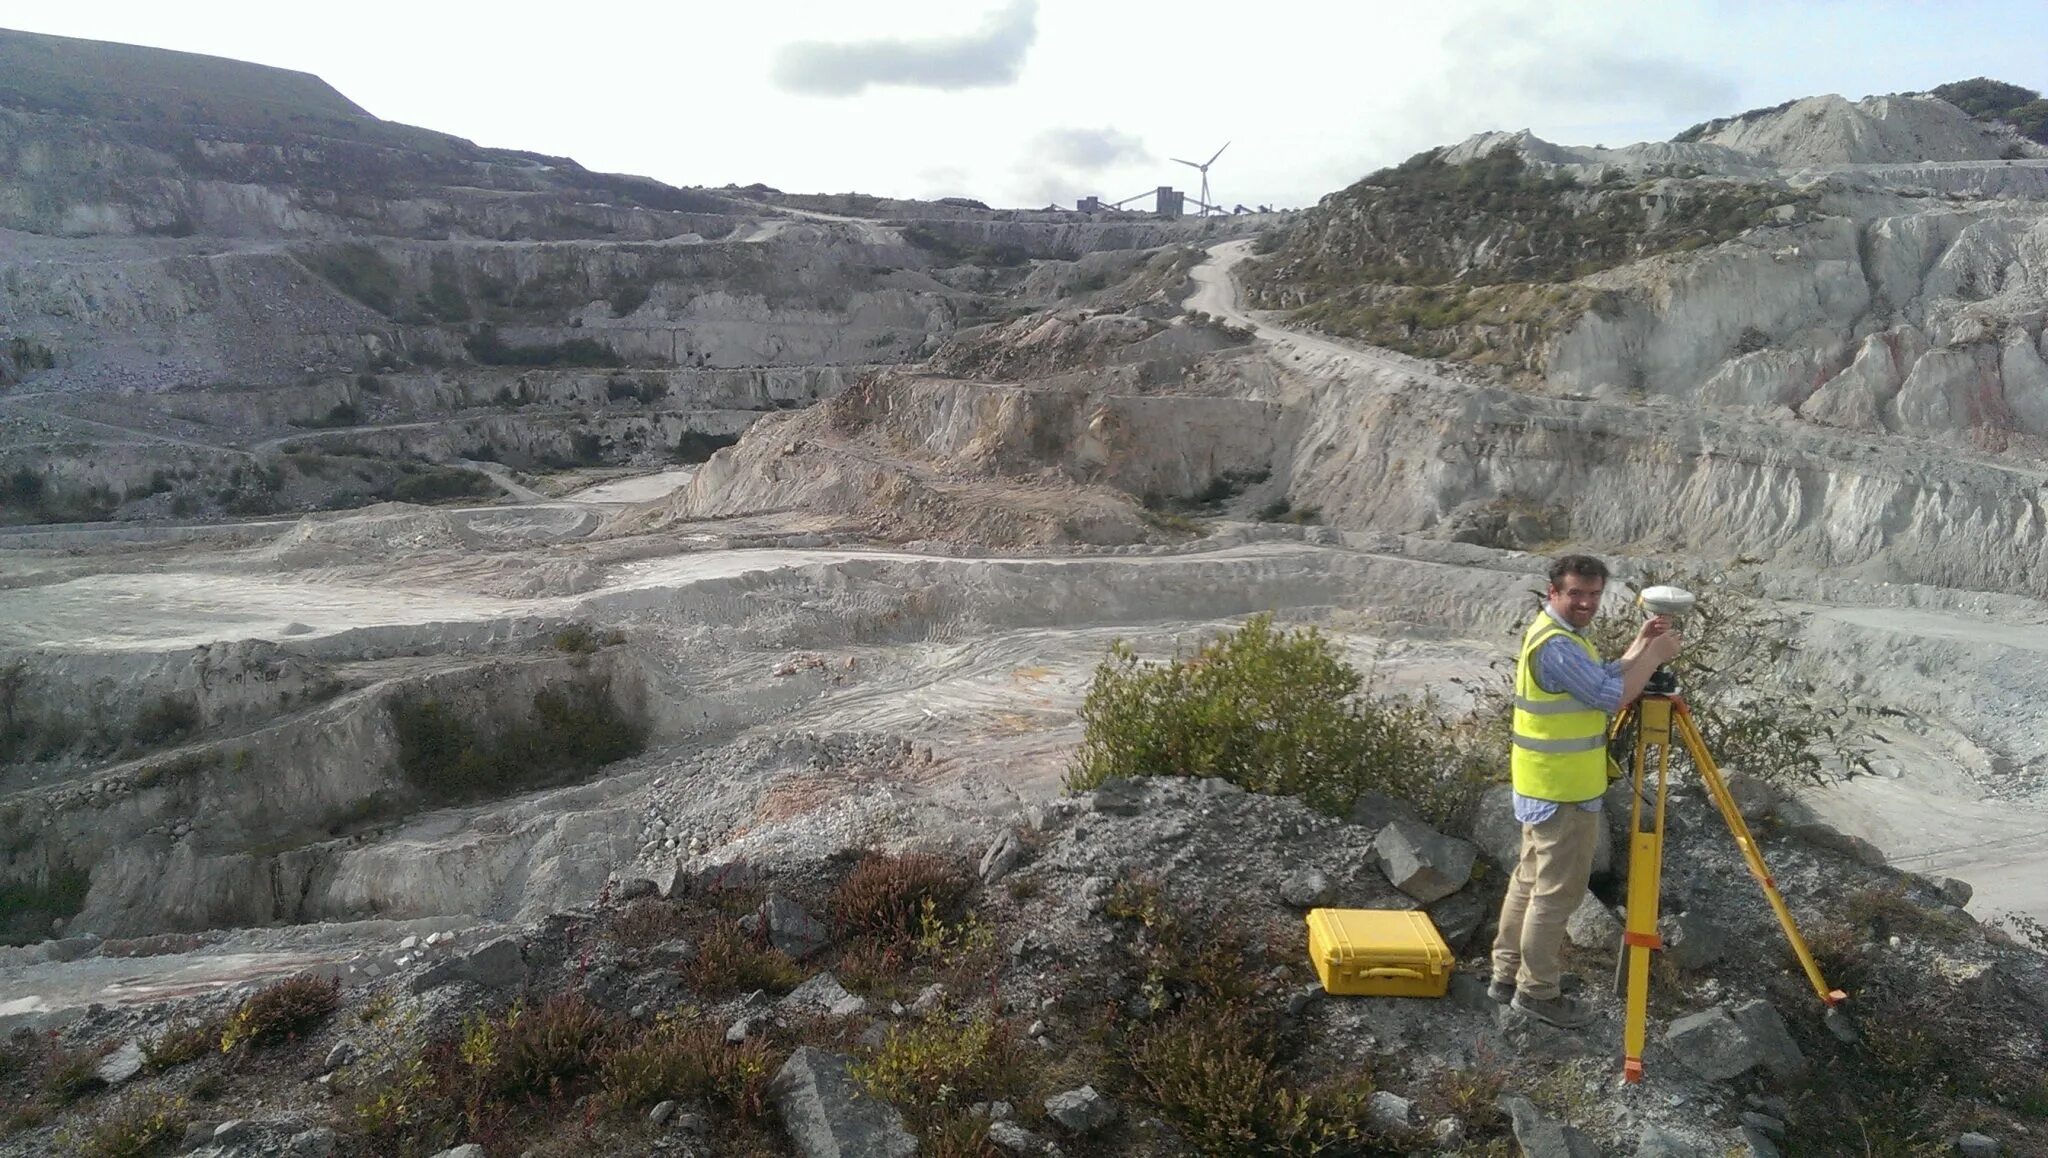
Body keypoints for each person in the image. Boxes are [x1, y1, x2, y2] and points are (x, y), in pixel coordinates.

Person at [1489, 554, 1680, 1028]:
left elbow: (1604, 679)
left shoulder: (1561, 637)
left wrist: (1640, 646)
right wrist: (1655, 658)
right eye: (1576, 593)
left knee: (1529, 882)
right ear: (1553, 592)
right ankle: (1537, 993)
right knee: (1555, 896)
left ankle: (1506, 975)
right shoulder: (1557, 646)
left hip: (1544, 786)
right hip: (1564, 794)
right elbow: (1612, 697)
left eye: (1594, 594)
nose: (1586, 603)